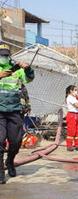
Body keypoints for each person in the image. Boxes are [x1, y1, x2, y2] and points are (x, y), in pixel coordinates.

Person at [0, 43, 34, 183]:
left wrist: (27, 69)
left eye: (6, 55)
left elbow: (30, 79)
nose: (3, 58)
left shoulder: (17, 70)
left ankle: (10, 161)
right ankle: (0, 171)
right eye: (1, 55)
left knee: (16, 141)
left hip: (15, 111)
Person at [65, 85, 78, 152]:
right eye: (75, 90)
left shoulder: (74, 98)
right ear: (71, 91)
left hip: (77, 115)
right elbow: (77, 105)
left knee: (77, 131)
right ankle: (69, 146)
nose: (76, 92)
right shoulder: (70, 98)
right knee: (71, 131)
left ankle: (77, 145)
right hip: (72, 115)